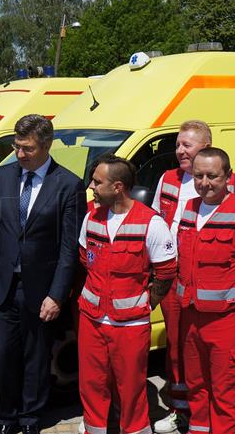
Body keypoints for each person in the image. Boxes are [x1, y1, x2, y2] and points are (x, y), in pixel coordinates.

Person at [0, 114, 86, 434]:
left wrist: (57, 294)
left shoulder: (68, 185)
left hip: (41, 291)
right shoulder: (1, 178)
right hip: (4, 288)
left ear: (46, 145)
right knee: (2, 357)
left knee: (36, 359)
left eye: (27, 148)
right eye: (17, 147)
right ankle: (6, 416)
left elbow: (69, 247)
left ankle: (30, 419)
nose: (20, 154)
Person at [150, 120, 235, 433]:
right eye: (178, 144)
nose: (180, 150)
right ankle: (181, 410)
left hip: (212, 281)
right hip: (175, 278)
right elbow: (155, 221)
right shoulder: (167, 180)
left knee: (211, 357)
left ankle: (210, 416)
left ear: (204, 147)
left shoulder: (231, 181)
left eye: (187, 145)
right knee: (179, 349)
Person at [176, 147, 235, 434]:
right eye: (198, 175)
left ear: (228, 176)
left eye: (212, 176)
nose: (204, 182)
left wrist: (231, 293)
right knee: (197, 387)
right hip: (191, 318)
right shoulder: (189, 207)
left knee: (226, 392)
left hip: (227, 321)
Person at [77, 156, 177, 434]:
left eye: (98, 182)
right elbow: (86, 258)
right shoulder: (91, 217)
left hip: (130, 324)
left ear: (118, 187)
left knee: (131, 388)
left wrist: (146, 302)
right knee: (91, 384)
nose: (92, 187)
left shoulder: (151, 223)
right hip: (93, 319)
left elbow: (166, 273)